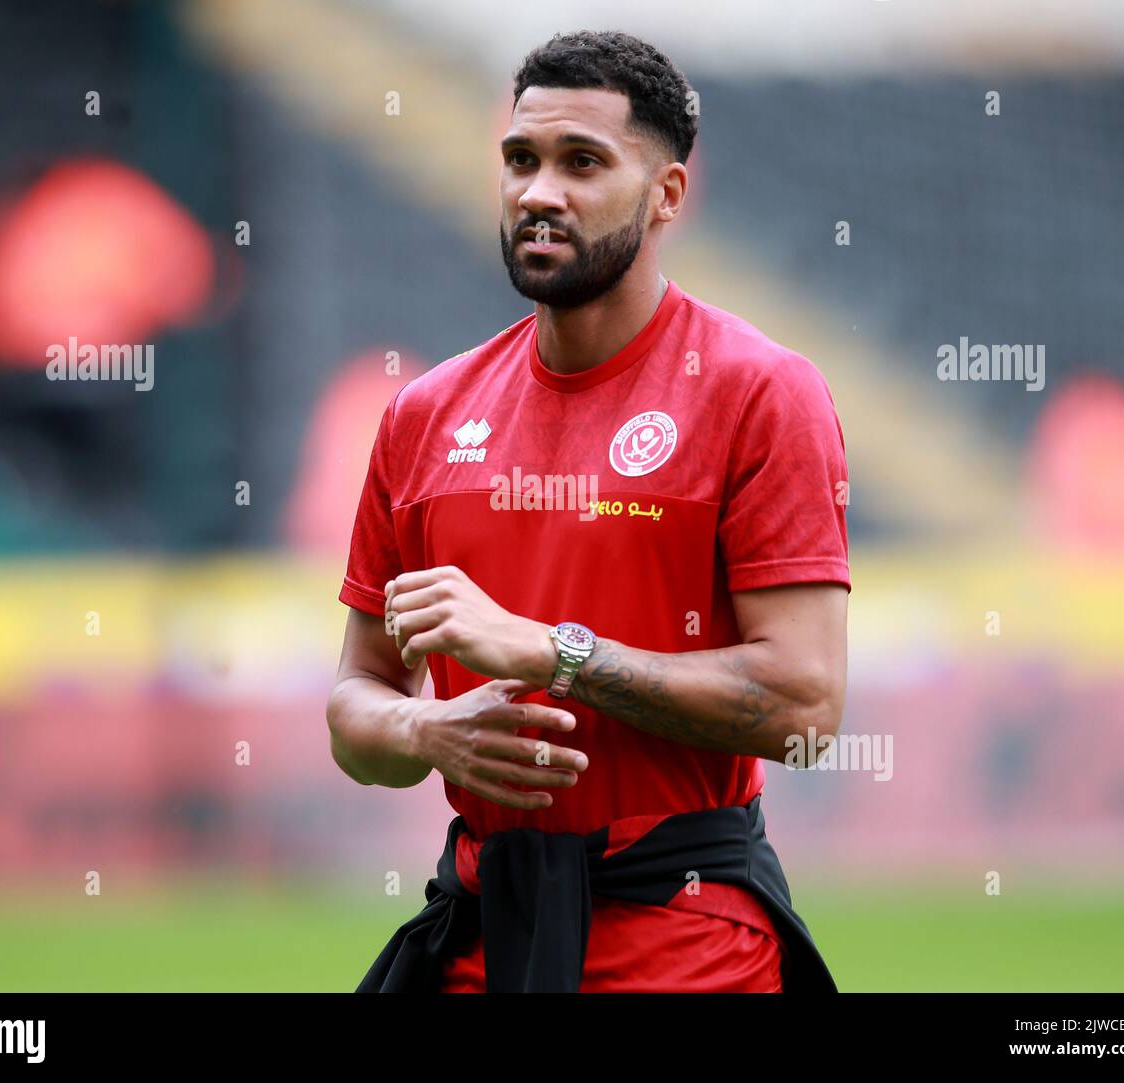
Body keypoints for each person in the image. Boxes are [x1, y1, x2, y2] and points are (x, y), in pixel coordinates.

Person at [327, 29, 850, 993]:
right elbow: (356, 699)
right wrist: (422, 733)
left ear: (668, 197)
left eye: (582, 163)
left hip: (685, 944)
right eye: (520, 160)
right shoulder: (424, 415)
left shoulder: (762, 392)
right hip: (482, 939)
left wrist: (555, 653)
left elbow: (807, 708)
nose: (539, 192)